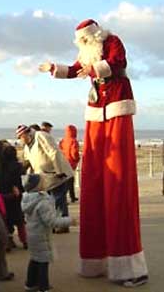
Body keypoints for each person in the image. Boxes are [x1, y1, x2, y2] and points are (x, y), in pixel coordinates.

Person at [38, 19, 148, 286]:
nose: (84, 45)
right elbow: (77, 68)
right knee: (94, 180)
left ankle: (129, 266)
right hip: (96, 113)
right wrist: (55, 68)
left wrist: (93, 68)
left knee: (117, 181)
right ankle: (96, 261)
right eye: (81, 42)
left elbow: (118, 62)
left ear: (95, 35)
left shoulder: (112, 42)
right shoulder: (88, 51)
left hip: (116, 106)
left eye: (87, 40)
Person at [21, 174, 76, 292]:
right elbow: (51, 221)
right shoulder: (42, 202)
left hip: (32, 234)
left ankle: (30, 283)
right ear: (38, 186)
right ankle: (43, 287)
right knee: (43, 262)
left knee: (35, 259)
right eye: (43, 181)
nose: (45, 182)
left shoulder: (28, 198)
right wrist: (69, 221)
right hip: (41, 236)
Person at [17, 125, 73, 234]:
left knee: (59, 200)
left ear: (26, 134)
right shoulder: (27, 145)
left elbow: (53, 152)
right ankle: (55, 223)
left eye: (20, 137)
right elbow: (27, 161)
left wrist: (59, 171)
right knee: (50, 201)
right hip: (45, 178)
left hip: (56, 174)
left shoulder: (40, 136)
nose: (20, 140)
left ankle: (63, 225)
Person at [0, 145, 27, 250]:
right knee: (19, 220)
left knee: (6, 220)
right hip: (16, 196)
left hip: (3, 197)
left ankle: (8, 242)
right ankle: (24, 240)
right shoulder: (18, 167)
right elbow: (23, 181)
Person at [58, 125, 80, 203]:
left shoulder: (63, 141)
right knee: (69, 181)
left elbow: (59, 151)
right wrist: (77, 159)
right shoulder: (73, 141)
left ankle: (72, 196)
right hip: (71, 163)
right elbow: (74, 153)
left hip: (63, 162)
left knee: (68, 180)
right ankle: (64, 198)